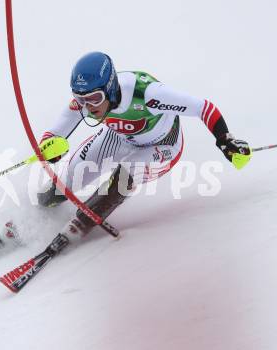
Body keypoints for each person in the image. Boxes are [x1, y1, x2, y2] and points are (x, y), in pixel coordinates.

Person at [37, 51, 251, 234]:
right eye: (80, 99)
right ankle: (37, 211)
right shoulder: (87, 100)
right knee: (68, 182)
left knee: (124, 176)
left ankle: (77, 229)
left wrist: (225, 139)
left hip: (162, 145)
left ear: (110, 88)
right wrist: (49, 146)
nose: (88, 106)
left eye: (94, 99)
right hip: (119, 137)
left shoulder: (147, 94)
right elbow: (56, 131)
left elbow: (203, 108)